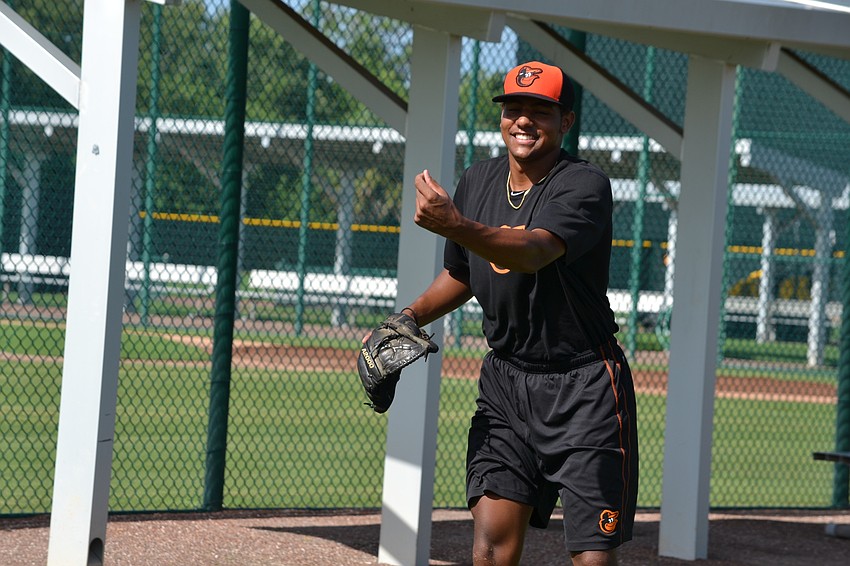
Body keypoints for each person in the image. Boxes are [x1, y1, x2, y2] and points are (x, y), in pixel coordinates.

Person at [400, 61, 638, 565]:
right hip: (507, 384)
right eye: (514, 109)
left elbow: (531, 252)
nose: (523, 121)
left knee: (593, 557)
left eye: (539, 111)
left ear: (566, 121)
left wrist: (455, 224)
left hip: (585, 388)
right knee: (490, 545)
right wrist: (408, 317)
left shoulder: (583, 185)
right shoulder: (479, 180)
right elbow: (464, 274)